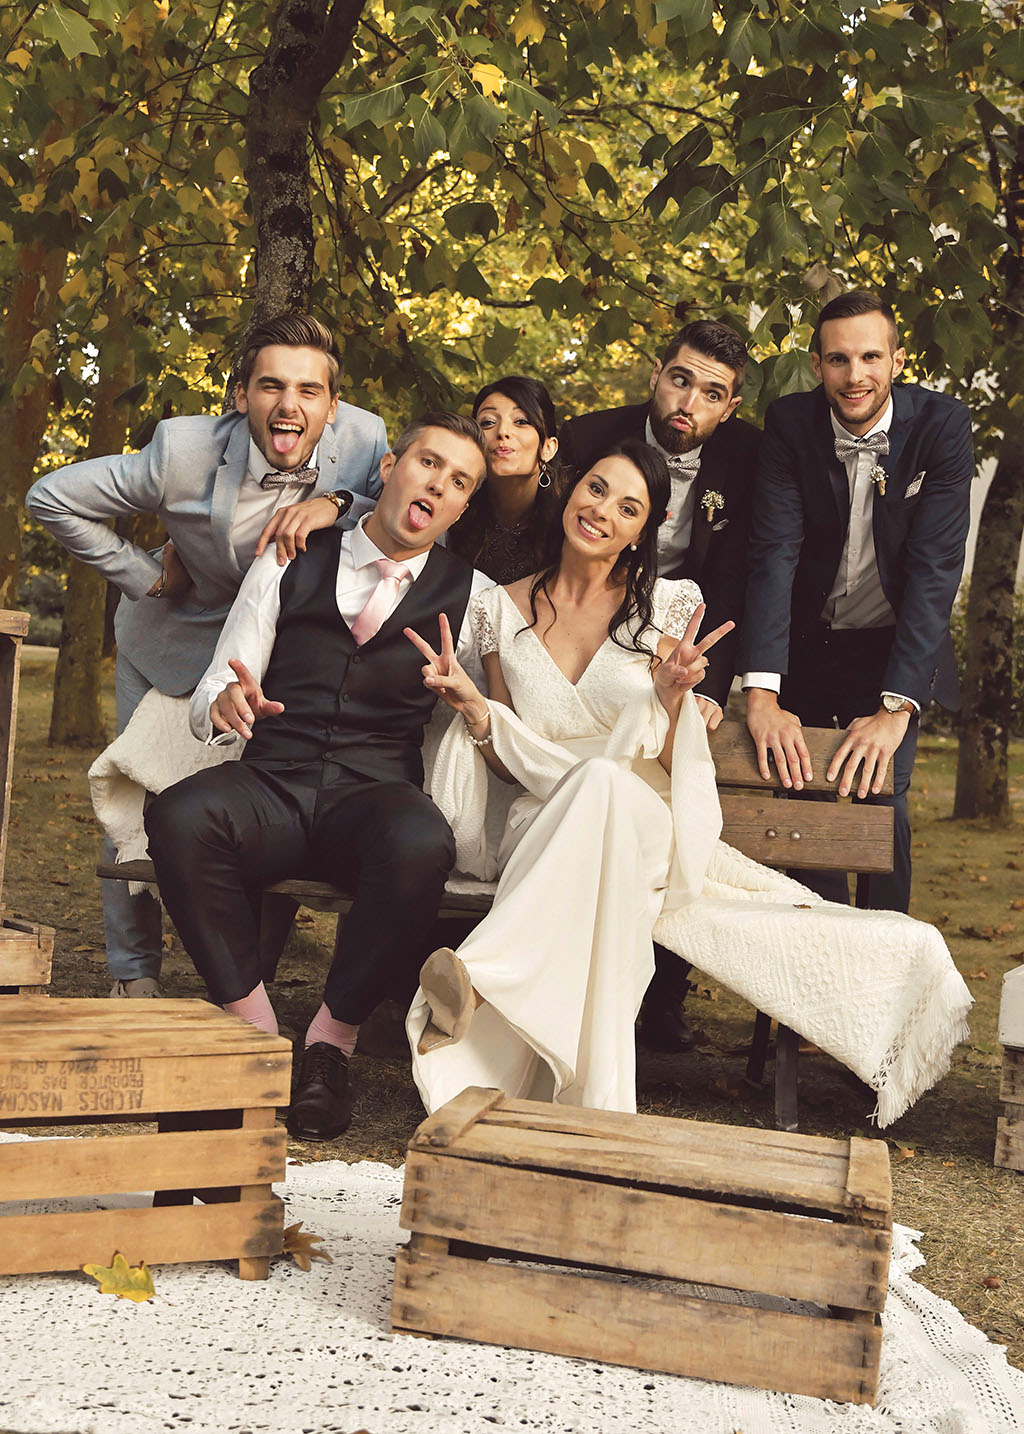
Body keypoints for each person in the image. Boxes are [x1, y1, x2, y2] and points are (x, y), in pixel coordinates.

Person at [403, 440, 973, 1127]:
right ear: (571, 490)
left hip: (644, 818)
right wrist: (475, 711)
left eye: (628, 508)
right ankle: (551, 1056)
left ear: (646, 530)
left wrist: (671, 701)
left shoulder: (669, 608)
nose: (602, 511)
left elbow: (675, 767)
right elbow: (506, 760)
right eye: (596, 489)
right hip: (544, 819)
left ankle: (486, 981)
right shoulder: (497, 608)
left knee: (610, 782)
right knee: (597, 786)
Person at [144, 413, 491, 1140]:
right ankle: (256, 1032)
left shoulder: (475, 596)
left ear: (462, 508)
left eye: (460, 481)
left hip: (373, 794)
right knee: (178, 814)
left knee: (422, 842)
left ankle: (331, 1043)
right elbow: (218, 683)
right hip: (273, 780)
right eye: (429, 463)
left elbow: (505, 714)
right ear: (390, 467)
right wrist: (225, 704)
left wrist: (468, 700)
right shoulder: (290, 555)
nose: (439, 485)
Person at [26, 313, 387, 998]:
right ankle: (133, 973)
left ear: (333, 405)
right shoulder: (181, 451)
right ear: (241, 395)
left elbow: (401, 511)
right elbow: (51, 497)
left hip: (280, 660)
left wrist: (337, 503)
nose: (290, 404)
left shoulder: (366, 439)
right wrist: (147, 576)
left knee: (270, 806)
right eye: (271, 386)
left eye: (309, 390)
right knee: (134, 795)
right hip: (173, 640)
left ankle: (248, 979)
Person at [738, 291, 974, 913]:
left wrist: (895, 709)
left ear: (897, 360)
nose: (855, 375)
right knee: (802, 807)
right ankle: (818, 963)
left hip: (890, 650)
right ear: (817, 364)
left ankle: (885, 957)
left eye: (871, 357)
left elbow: (935, 571)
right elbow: (774, 554)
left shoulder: (944, 426)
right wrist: (762, 695)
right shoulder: (790, 423)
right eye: (838, 359)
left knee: (883, 804)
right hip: (807, 643)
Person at [560, 318, 760, 1050]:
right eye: (681, 380)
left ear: (730, 406)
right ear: (656, 373)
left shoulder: (749, 459)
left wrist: (708, 690)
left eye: (711, 393)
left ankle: (661, 998)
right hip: (596, 625)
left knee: (675, 785)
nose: (689, 402)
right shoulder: (589, 438)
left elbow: (736, 581)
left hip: (683, 638)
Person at [447, 375, 565, 584]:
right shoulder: (451, 509)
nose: (502, 432)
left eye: (521, 421)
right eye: (488, 422)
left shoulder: (567, 523)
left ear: (548, 448)